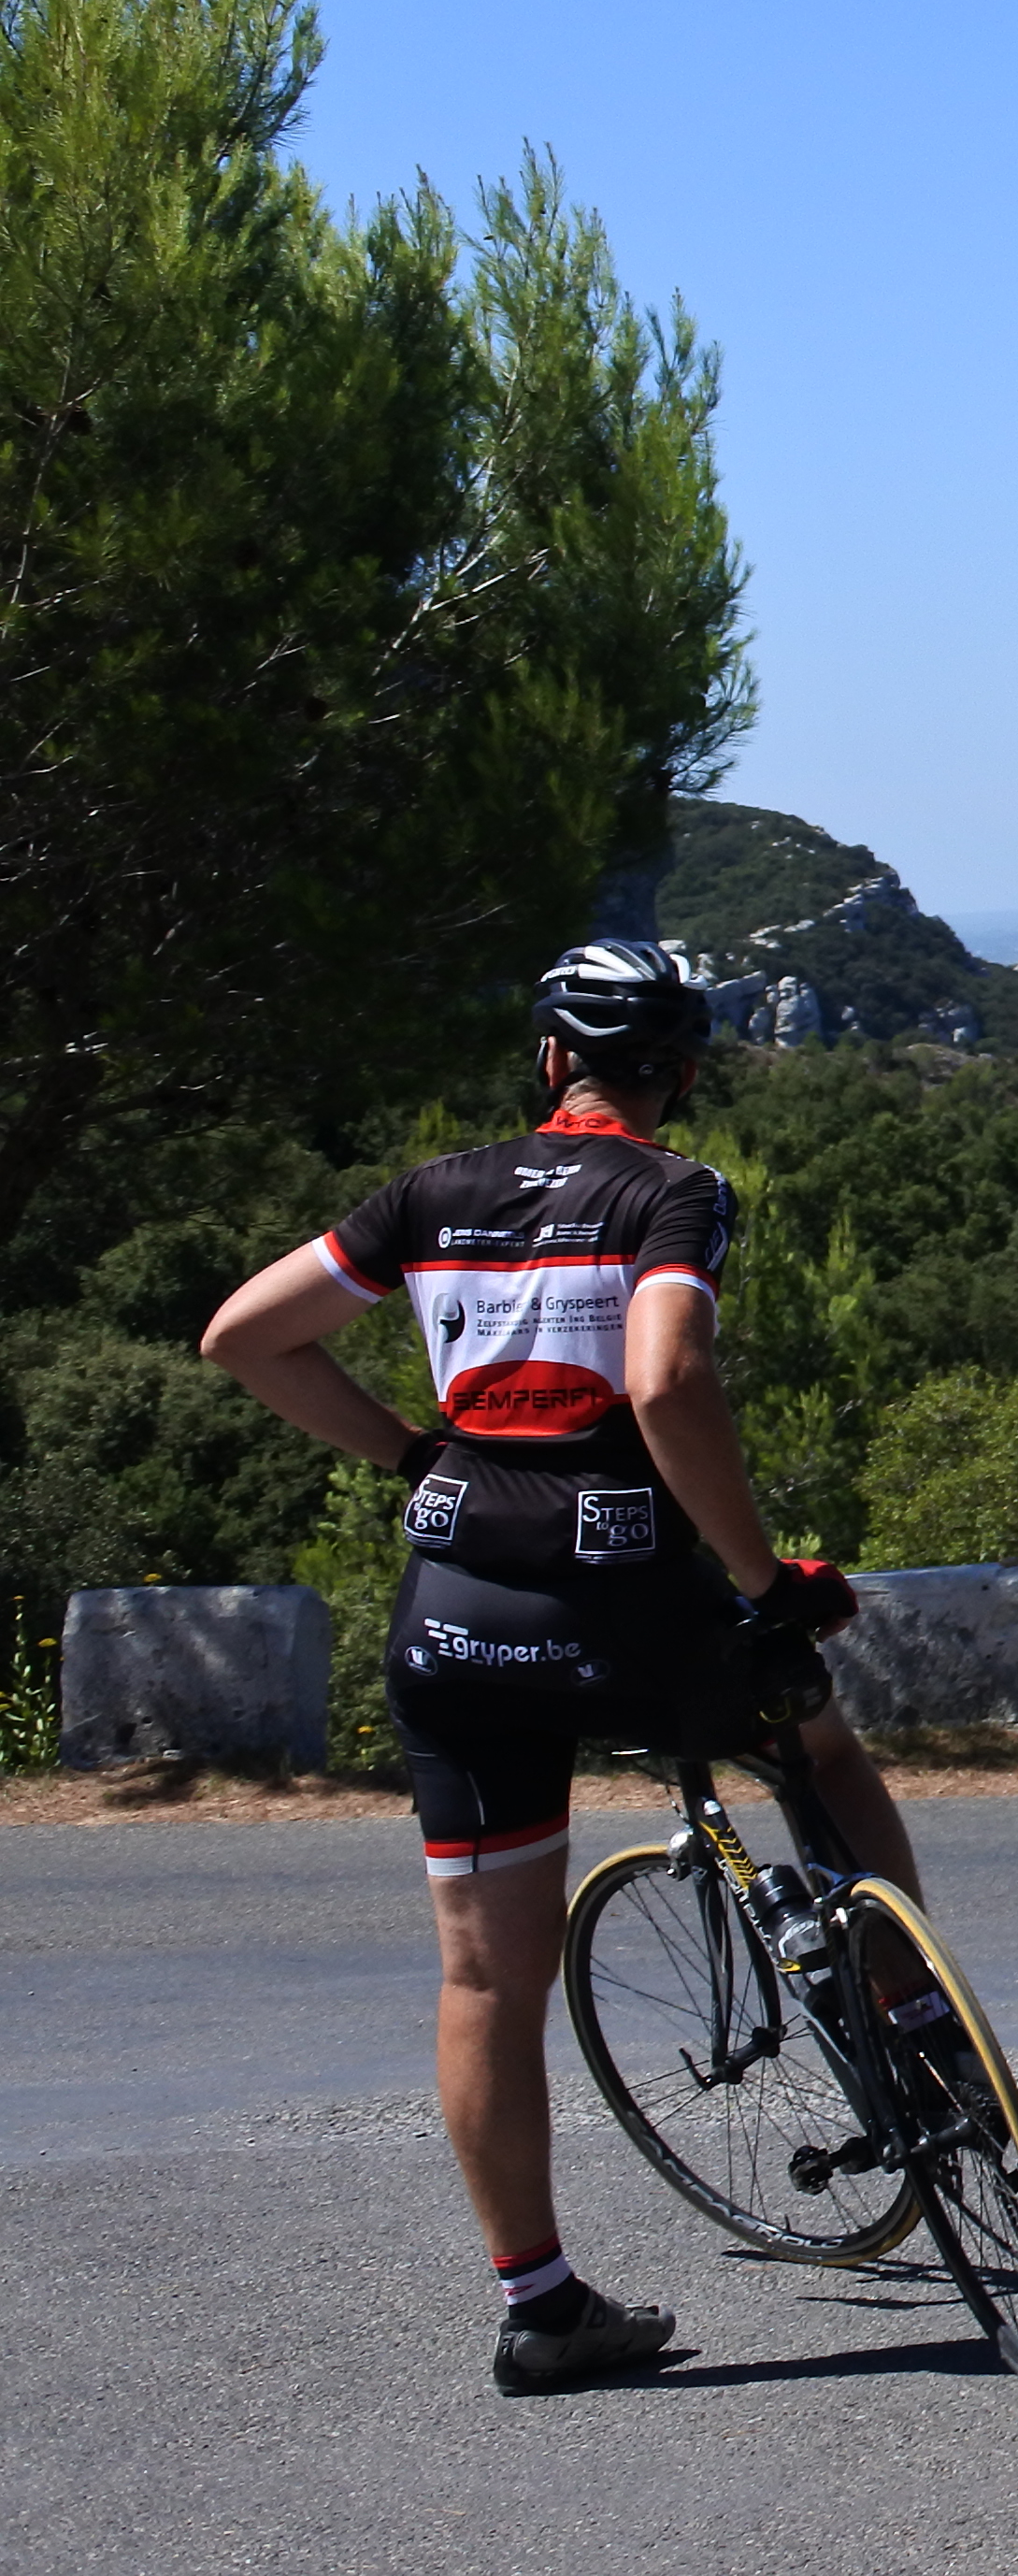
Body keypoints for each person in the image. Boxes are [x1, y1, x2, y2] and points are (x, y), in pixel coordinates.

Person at [195, 938, 899, 2396]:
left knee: (483, 1975)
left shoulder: (431, 1195)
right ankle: (911, 2035)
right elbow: (665, 1381)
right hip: (624, 1598)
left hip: (454, 1607)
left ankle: (540, 2304)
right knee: (818, 1748)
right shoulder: (672, 1190)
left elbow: (245, 1337)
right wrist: (768, 1581)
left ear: (546, 1064)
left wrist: (412, 1454)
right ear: (681, 1074)